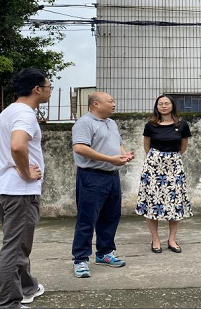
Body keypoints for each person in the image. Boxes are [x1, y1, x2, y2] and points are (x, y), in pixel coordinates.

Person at [0, 68, 50, 308]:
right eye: (49, 87)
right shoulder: (25, 113)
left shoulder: (8, 112)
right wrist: (23, 171)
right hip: (20, 191)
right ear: (37, 89)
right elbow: (18, 146)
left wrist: (4, 167)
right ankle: (6, 303)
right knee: (14, 248)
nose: (50, 91)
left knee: (18, 242)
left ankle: (27, 286)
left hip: (5, 188)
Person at [71, 92, 135, 278]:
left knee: (110, 217)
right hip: (92, 176)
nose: (114, 104)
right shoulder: (84, 123)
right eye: (110, 101)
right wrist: (110, 159)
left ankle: (105, 253)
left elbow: (118, 144)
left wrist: (123, 156)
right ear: (96, 104)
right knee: (87, 220)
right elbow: (80, 148)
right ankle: (80, 260)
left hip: (112, 175)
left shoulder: (111, 123)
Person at [136, 95, 193, 253]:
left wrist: (170, 159)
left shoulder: (182, 125)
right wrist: (158, 160)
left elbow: (183, 147)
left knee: (175, 203)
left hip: (174, 166)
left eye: (167, 103)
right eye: (160, 104)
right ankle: (155, 239)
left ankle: (172, 239)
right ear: (157, 107)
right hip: (154, 167)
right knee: (152, 203)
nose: (164, 106)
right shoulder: (150, 125)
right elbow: (147, 147)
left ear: (172, 106)